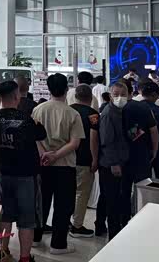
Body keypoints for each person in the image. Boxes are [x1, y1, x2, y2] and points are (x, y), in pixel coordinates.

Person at [0, 80, 47, 262]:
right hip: (25, 174)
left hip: (4, 172)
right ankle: (24, 258)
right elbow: (41, 134)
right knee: (27, 217)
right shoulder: (25, 119)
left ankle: (3, 251)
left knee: (6, 214)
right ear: (17, 96)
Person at [32, 73, 85, 255]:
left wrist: (44, 154)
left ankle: (35, 238)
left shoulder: (38, 110)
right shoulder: (72, 113)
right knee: (63, 206)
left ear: (49, 88)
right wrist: (56, 155)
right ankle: (58, 244)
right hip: (65, 166)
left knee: (41, 202)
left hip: (42, 164)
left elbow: (34, 138)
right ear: (66, 89)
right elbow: (74, 143)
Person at [98, 82, 130, 240]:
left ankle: (103, 226)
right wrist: (114, 163)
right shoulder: (108, 113)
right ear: (110, 96)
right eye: (116, 95)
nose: (120, 98)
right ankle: (114, 234)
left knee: (110, 197)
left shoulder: (122, 111)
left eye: (123, 95)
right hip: (110, 163)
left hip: (122, 160)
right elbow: (106, 141)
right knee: (112, 200)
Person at [69, 84, 99, 238]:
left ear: (76, 96)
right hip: (84, 159)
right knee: (81, 193)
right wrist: (95, 159)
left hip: (66, 158)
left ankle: (65, 221)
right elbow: (94, 138)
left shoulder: (68, 110)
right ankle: (77, 226)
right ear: (91, 97)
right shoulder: (93, 115)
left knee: (67, 192)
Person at [128, 82, 159, 181]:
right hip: (144, 150)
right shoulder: (149, 107)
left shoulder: (116, 109)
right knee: (144, 182)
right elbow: (156, 130)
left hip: (126, 152)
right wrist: (154, 150)